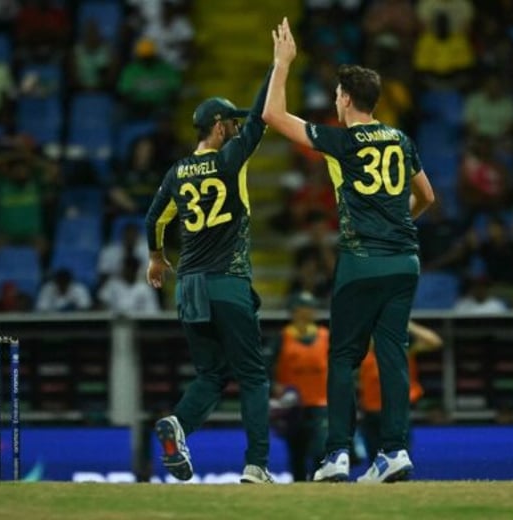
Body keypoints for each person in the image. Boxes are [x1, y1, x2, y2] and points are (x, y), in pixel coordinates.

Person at [263, 17, 435, 483]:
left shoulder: (341, 141)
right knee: (394, 353)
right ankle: (394, 452)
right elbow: (428, 197)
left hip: (361, 262)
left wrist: (282, 65)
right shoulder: (401, 140)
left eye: (337, 96)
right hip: (405, 259)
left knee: (342, 357)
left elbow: (272, 117)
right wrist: (399, 225)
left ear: (344, 99)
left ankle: (337, 455)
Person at [144, 60, 275, 484]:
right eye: (231, 123)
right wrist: (278, 67)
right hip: (228, 282)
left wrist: (156, 257)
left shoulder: (177, 172)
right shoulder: (231, 159)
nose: (237, 128)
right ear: (218, 126)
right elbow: (260, 117)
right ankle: (256, 465)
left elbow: (153, 220)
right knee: (253, 377)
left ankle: (178, 426)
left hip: (190, 289)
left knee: (212, 374)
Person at [358, 321, 443, 464]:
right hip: (371, 413)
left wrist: (407, 323)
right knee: (374, 461)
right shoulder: (362, 355)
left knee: (399, 459)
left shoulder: (402, 351)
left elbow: (434, 342)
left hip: (396, 412)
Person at [266, 291, 329, 482]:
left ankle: (321, 483)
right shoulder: (283, 337)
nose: (310, 312)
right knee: (297, 452)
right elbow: (267, 367)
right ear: (295, 311)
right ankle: (300, 486)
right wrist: (274, 387)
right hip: (293, 405)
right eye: (306, 308)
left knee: (320, 449)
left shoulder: (325, 336)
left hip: (320, 402)